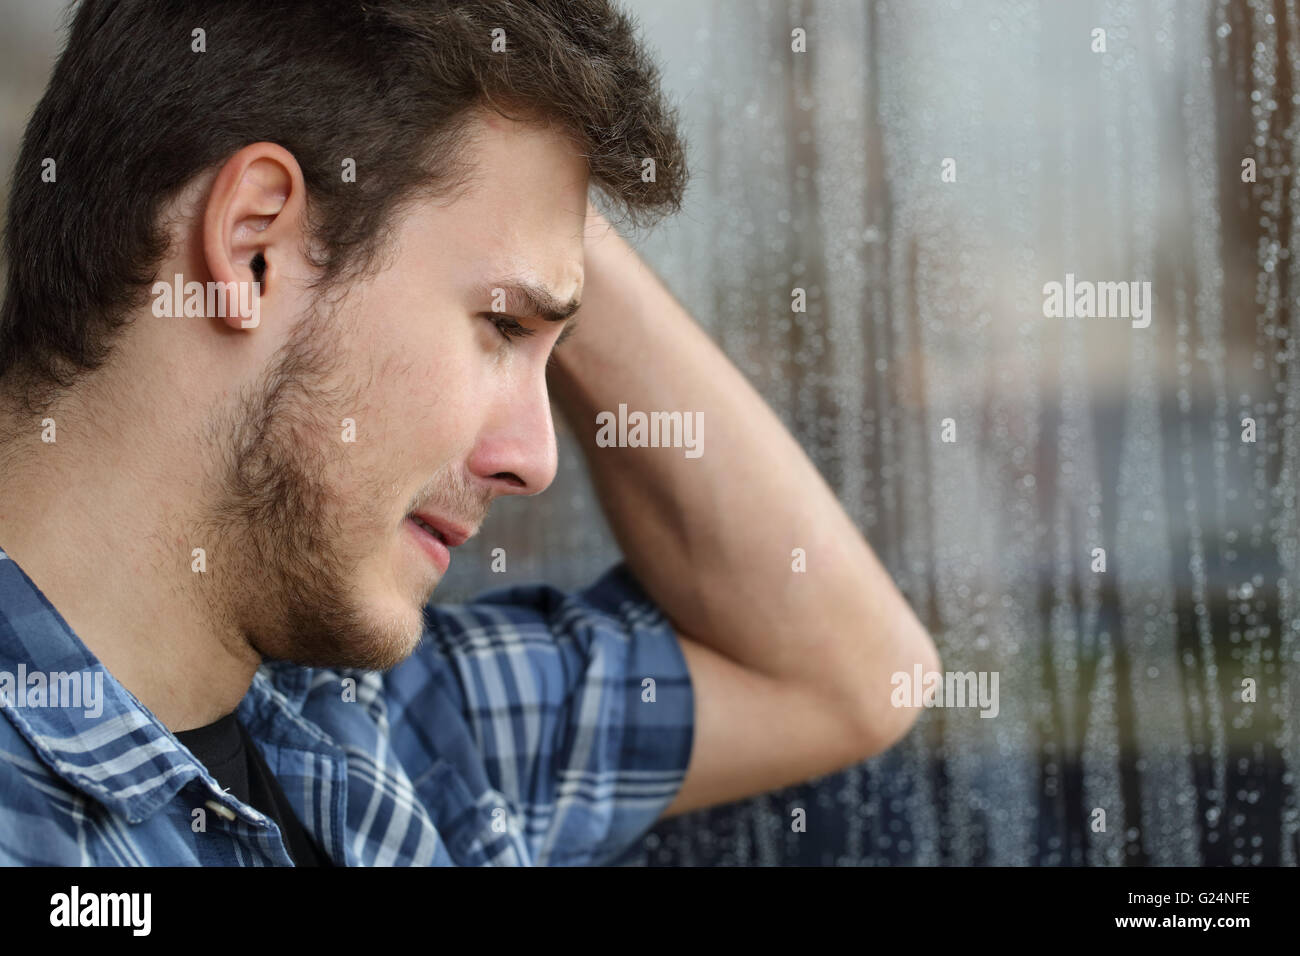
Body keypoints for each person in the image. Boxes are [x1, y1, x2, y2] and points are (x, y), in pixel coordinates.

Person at [0, 0, 939, 866]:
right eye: (503, 328)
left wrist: (539, 209)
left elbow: (855, 678)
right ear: (252, 248)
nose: (533, 460)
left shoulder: (383, 732)